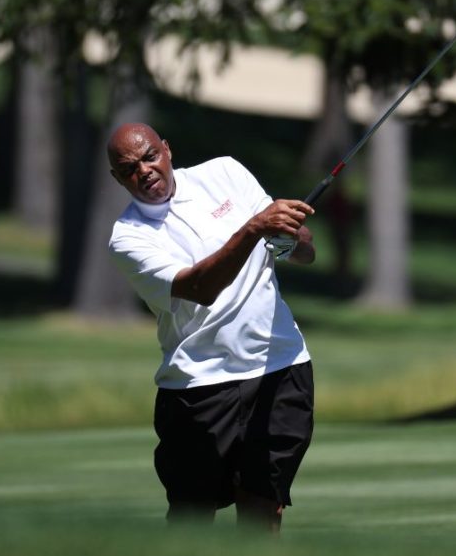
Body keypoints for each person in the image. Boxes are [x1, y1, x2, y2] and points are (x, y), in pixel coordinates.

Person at [105, 123, 316, 534]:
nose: (144, 170)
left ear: (166, 150)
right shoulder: (128, 237)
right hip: (200, 387)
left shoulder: (224, 172)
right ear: (118, 178)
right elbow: (200, 286)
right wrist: (254, 227)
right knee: (191, 522)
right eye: (129, 168)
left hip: (281, 367)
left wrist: (291, 235)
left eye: (150, 156)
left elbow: (302, 252)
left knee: (263, 510)